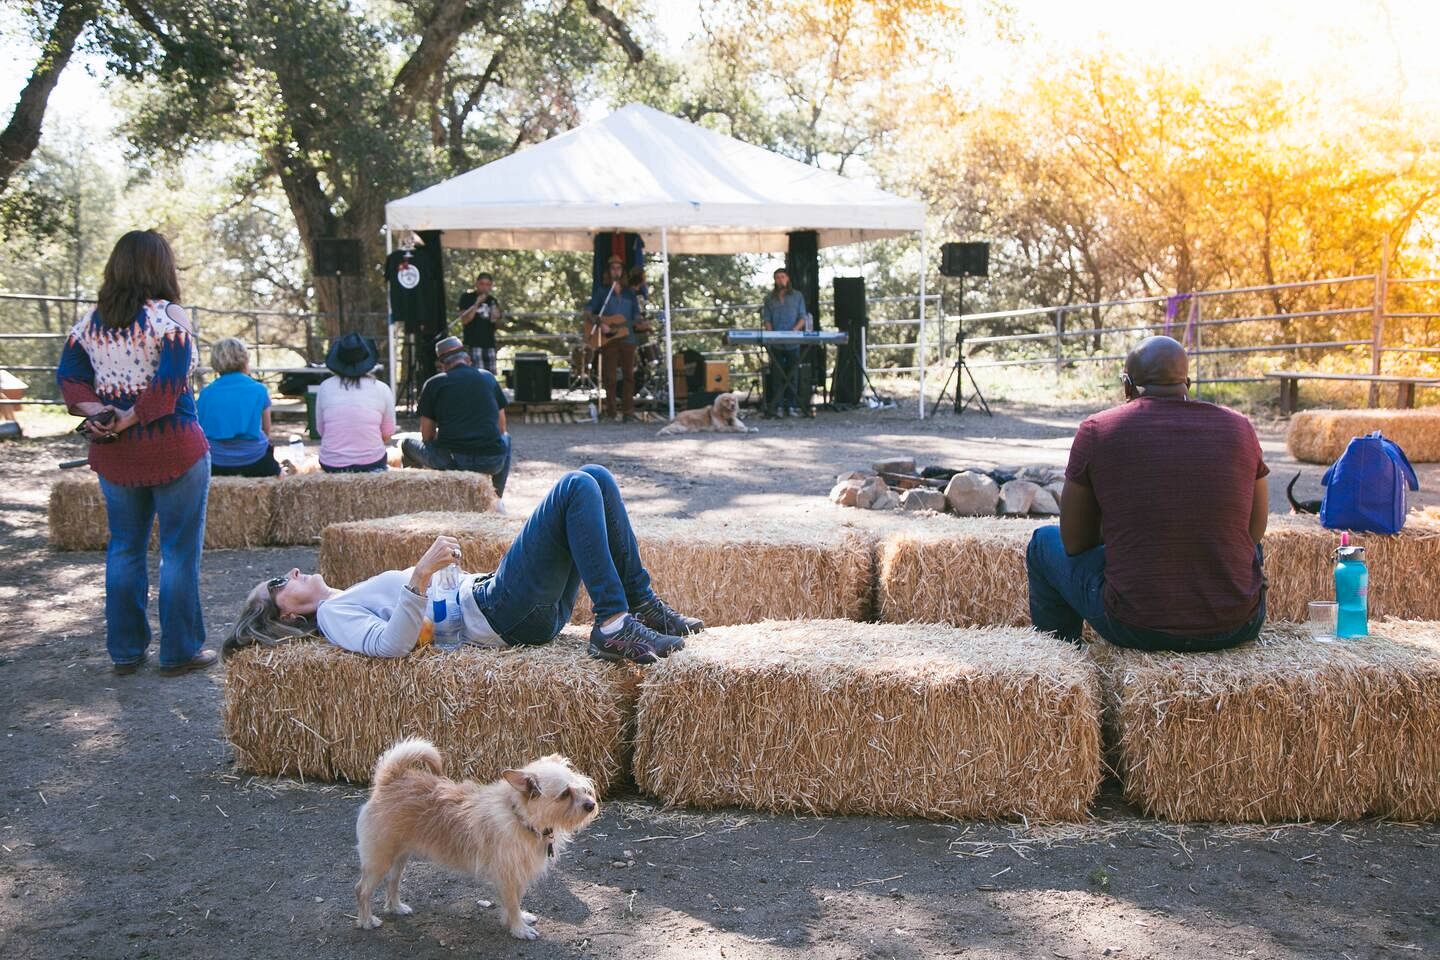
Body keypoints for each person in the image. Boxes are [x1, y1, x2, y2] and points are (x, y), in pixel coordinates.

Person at [223, 465, 703, 664]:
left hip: (517, 609)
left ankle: (640, 606)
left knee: (595, 477)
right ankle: (615, 621)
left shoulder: (341, 599)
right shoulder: (331, 616)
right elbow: (390, 646)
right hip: (500, 613)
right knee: (576, 486)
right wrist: (421, 573)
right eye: (276, 584)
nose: (289, 573)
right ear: (287, 615)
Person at [1026, 336, 1269, 652]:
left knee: (1043, 543)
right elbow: (1253, 531)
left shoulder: (1098, 429)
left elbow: (1074, 542)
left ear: (1127, 386)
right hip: (1238, 624)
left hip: (1135, 625)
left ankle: (1060, 667)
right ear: (1189, 383)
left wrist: (1131, 529)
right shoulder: (1240, 427)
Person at [56, 229, 216, 676]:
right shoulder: (170, 317)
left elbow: (68, 379)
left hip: (116, 457)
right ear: (159, 267)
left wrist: (99, 413)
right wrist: (125, 416)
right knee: (178, 553)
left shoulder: (88, 324)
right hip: (175, 450)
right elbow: (169, 386)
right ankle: (180, 650)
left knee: (124, 549)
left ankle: (126, 652)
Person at [401, 336, 512, 497]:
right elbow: (502, 427)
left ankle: (417, 497)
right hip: (491, 461)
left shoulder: (433, 384)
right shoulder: (488, 378)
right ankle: (496, 498)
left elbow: (427, 435)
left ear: (442, 364)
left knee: (407, 444)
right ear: (468, 359)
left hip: (451, 461)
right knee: (506, 440)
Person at [196, 337, 280, 477]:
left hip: (215, 462)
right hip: (254, 460)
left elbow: (200, 432)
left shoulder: (206, 393)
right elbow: (267, 429)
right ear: (245, 359)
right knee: (278, 474)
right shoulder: (259, 390)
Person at [315, 332, 396, 473]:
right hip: (372, 462)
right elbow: (388, 434)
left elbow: (321, 430)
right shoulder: (383, 389)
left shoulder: (325, 387)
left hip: (331, 464)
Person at [584, 255, 641, 422]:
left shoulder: (630, 293)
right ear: (609, 271)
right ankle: (611, 411)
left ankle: (628, 412)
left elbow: (636, 315)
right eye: (613, 268)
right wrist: (600, 323)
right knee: (609, 377)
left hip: (628, 339)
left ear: (622, 271)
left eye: (619, 268)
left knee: (629, 376)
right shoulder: (602, 292)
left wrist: (639, 320)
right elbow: (588, 312)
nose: (616, 270)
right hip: (609, 340)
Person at [760, 267, 811, 417]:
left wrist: (795, 330)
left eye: (783, 277)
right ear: (774, 280)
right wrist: (771, 334)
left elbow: (802, 316)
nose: (780, 280)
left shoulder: (797, 296)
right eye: (777, 277)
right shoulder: (769, 298)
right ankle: (778, 406)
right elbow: (767, 319)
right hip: (776, 342)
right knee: (777, 375)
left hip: (793, 341)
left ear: (787, 279)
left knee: (793, 374)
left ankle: (791, 406)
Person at [457, 272, 503, 374]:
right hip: (473, 344)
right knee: (477, 376)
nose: (484, 287)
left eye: (487, 284)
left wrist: (496, 317)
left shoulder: (492, 300)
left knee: (490, 377)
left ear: (491, 286)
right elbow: (465, 320)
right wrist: (477, 303)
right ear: (476, 284)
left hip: (489, 345)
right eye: (482, 284)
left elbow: (498, 325)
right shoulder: (467, 297)